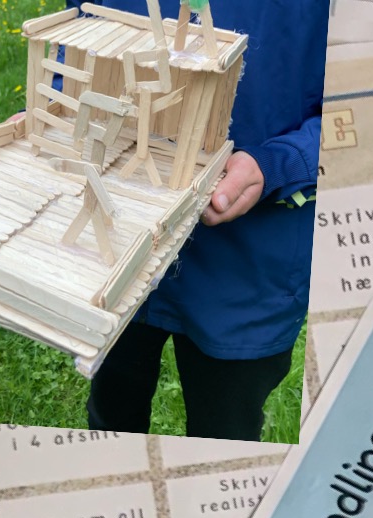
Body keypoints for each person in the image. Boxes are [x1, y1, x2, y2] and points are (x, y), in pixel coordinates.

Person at [87, 0, 324, 441]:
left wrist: (278, 163)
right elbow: (86, 40)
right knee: (112, 409)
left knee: (224, 434)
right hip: (120, 238)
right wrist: (61, 115)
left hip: (249, 260)